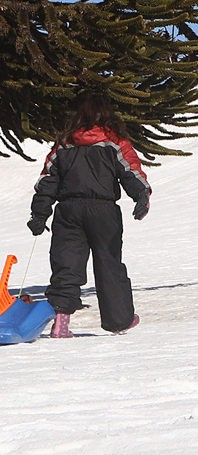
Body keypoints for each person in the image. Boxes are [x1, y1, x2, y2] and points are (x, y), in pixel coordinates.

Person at [28, 93, 151, 337]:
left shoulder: (63, 145)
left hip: (68, 211)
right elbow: (131, 171)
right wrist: (141, 197)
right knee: (108, 263)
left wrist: (39, 214)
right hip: (103, 210)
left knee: (67, 264)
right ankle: (119, 321)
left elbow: (48, 181)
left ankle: (61, 322)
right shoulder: (115, 143)